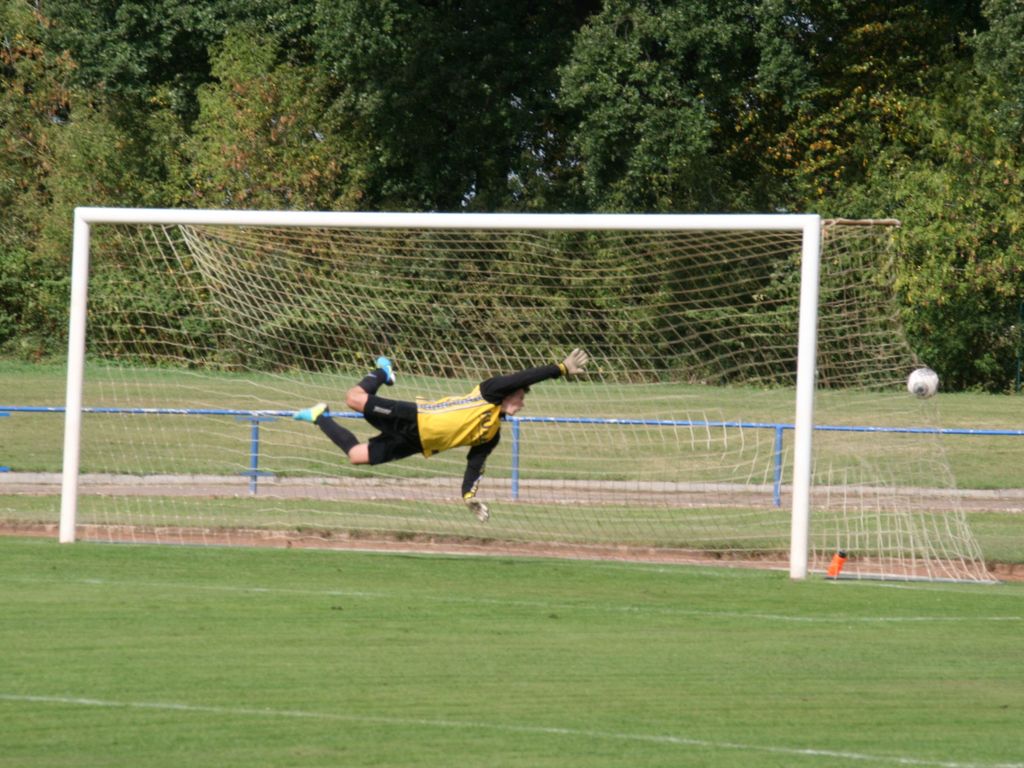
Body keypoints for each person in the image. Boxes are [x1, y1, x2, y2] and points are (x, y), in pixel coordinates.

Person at [293, 349, 590, 522]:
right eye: (522, 396)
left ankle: (320, 415)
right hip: (417, 417)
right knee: (354, 398)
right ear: (509, 393)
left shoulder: (492, 433)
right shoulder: (489, 392)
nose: (523, 401)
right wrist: (560, 369)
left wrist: (468, 496)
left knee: (357, 456)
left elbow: (475, 464)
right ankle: (384, 372)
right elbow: (522, 377)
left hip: (418, 442)